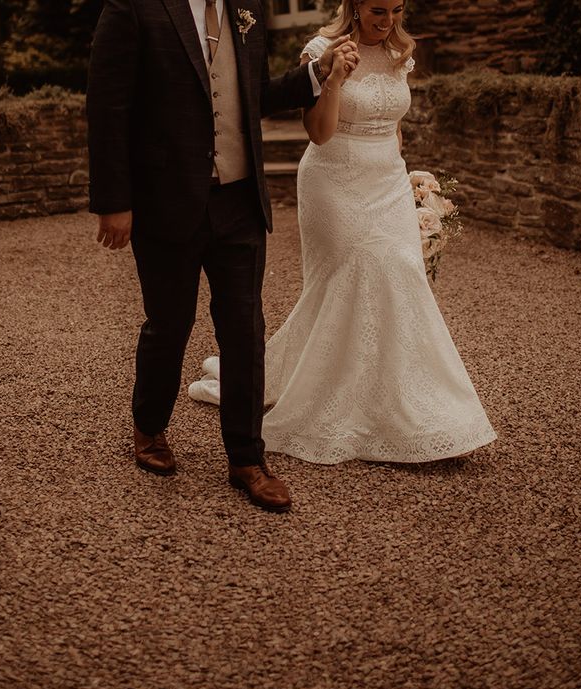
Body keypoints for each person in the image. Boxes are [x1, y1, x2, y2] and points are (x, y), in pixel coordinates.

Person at [189, 0, 497, 464]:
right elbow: (319, 133)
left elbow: (395, 126)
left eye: (396, 10)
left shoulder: (401, 53)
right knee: (357, 275)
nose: (387, 20)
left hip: (387, 182)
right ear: (354, 5)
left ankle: (409, 402)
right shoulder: (322, 48)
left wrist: (406, 180)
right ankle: (340, 400)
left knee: (402, 269)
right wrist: (333, 80)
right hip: (334, 180)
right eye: (377, 9)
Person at [86, 0, 360, 513]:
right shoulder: (134, 7)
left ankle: (246, 458)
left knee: (244, 328)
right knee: (169, 323)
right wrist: (113, 202)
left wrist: (316, 74)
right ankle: (149, 428)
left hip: (239, 200)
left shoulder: (246, 8)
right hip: (165, 201)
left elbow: (253, 95)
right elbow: (108, 106)